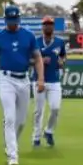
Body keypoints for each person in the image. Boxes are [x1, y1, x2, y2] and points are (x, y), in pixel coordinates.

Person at [0, 5, 43, 165]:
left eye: (15, 20)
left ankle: (11, 143)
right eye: (10, 20)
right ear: (5, 20)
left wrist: (41, 79)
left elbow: (37, 58)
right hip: (6, 79)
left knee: (22, 121)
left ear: (19, 19)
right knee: (9, 117)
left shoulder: (29, 36)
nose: (13, 23)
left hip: (24, 79)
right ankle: (13, 155)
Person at [32, 15, 66, 148]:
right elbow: (28, 60)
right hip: (38, 80)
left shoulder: (59, 42)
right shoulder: (35, 42)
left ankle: (49, 131)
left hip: (54, 80)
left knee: (55, 107)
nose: (48, 26)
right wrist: (39, 61)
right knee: (38, 110)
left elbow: (63, 56)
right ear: (42, 26)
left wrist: (62, 62)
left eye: (50, 24)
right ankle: (36, 137)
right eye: (46, 24)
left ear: (53, 26)